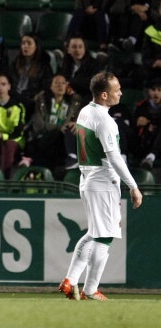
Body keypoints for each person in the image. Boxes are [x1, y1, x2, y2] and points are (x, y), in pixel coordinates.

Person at [58, 71, 143, 301]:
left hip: (88, 179)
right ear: (105, 95)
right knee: (104, 236)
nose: (121, 93)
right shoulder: (106, 121)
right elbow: (114, 158)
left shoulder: (86, 111)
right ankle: (90, 289)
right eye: (117, 90)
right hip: (102, 181)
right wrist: (133, 186)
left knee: (95, 233)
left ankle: (71, 280)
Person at [26, 74, 82, 170]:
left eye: (63, 83)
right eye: (56, 82)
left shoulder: (72, 103)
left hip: (60, 140)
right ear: (50, 86)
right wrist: (59, 127)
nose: (60, 85)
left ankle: (72, 157)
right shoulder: (42, 101)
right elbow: (39, 126)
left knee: (71, 128)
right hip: (43, 138)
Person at [10, 33, 54, 115]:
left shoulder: (43, 65)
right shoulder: (16, 62)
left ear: (36, 46)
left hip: (31, 99)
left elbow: (47, 86)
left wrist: (37, 96)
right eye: (23, 43)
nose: (25, 46)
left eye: (29, 43)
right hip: (15, 96)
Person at [130, 78, 161, 169]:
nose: (156, 93)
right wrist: (138, 122)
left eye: (159, 90)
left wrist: (150, 123)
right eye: (153, 90)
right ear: (149, 92)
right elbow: (134, 127)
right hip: (144, 143)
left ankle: (151, 157)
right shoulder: (141, 106)